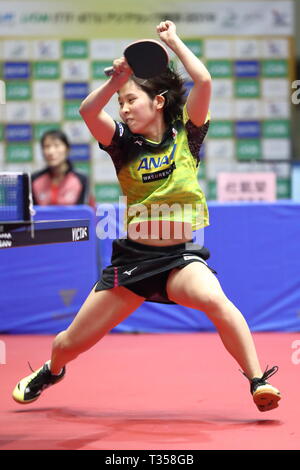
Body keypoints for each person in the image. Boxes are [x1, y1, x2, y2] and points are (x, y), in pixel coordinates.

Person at [13, 21, 281, 412]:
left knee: (215, 299)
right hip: (133, 261)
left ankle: (257, 381)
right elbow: (89, 111)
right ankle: (52, 370)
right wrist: (116, 81)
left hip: (179, 258)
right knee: (68, 342)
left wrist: (173, 42)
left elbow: (203, 82)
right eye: (120, 102)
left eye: (130, 100)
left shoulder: (186, 135)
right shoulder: (123, 144)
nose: (122, 108)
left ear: (157, 101)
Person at [31, 129, 95, 207]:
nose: (51, 151)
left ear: (67, 149)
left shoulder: (81, 179)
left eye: (56, 145)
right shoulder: (34, 179)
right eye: (47, 147)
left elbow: (85, 213)